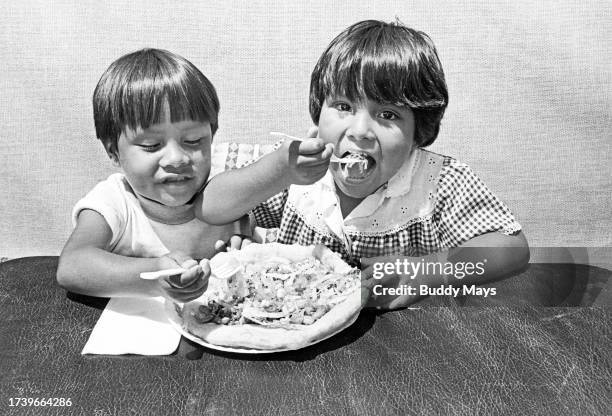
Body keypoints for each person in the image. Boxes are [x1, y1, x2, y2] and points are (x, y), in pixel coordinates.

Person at [198, 20, 529, 309]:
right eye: (343, 106)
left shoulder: (439, 182)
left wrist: (430, 271)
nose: (359, 131)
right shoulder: (292, 170)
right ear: (317, 114)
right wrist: (278, 172)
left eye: (387, 115)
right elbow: (211, 207)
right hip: (297, 334)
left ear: (419, 133)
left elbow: (512, 249)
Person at [57, 48, 250, 302]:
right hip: (136, 333)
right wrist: (156, 275)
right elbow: (72, 266)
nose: (177, 158)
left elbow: (245, 220)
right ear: (114, 152)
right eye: (151, 145)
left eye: (193, 140)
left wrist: (244, 235)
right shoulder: (115, 201)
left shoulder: (220, 190)